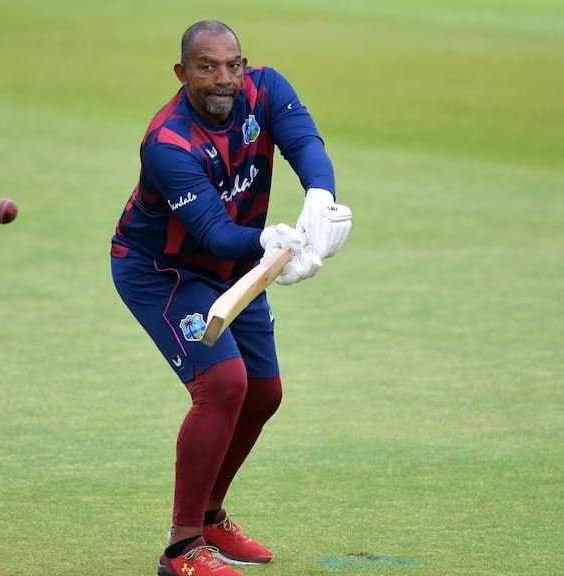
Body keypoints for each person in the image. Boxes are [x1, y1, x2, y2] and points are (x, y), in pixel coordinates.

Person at [110, 19, 352, 576]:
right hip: (163, 272)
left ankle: (210, 515)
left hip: (235, 267)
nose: (224, 78)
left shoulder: (266, 89)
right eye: (207, 67)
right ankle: (182, 548)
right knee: (222, 384)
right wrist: (274, 243)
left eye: (232, 65)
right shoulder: (168, 143)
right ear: (182, 73)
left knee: (263, 393)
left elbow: (305, 143)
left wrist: (320, 195)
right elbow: (215, 233)